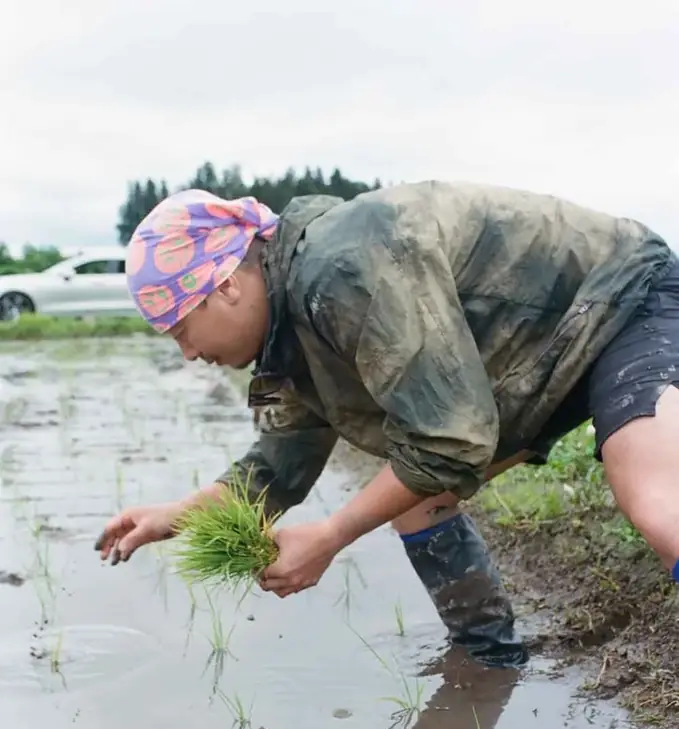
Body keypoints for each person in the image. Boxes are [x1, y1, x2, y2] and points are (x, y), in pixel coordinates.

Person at [95, 183, 679, 669]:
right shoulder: (291, 330)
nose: (188, 353)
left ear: (224, 285)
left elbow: (448, 441)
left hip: (625, 299)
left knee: (654, 499)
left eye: (180, 330)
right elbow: (279, 464)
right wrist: (174, 516)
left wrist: (329, 537)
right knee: (415, 499)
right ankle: (487, 666)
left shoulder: (339, 270)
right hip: (542, 353)